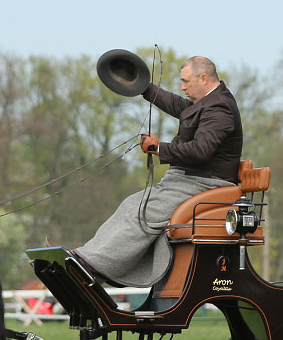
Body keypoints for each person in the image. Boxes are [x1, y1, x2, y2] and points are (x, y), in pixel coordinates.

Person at [75, 56, 243, 286]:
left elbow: (200, 151)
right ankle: (89, 258)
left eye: (186, 81)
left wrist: (158, 148)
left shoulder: (220, 108)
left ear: (204, 78)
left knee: (146, 212)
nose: (182, 87)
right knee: (131, 205)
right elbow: (177, 105)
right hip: (188, 181)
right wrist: (143, 88)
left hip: (207, 184)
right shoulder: (206, 102)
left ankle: (93, 267)